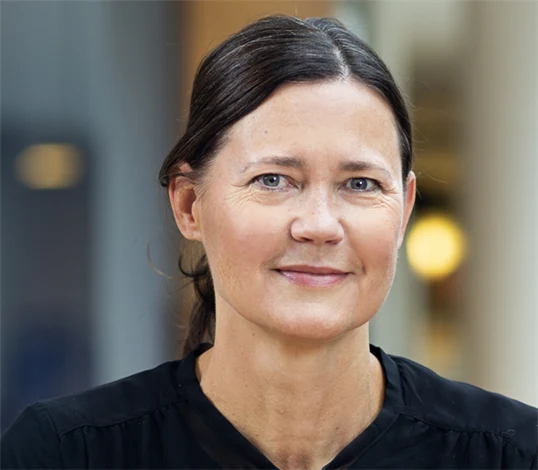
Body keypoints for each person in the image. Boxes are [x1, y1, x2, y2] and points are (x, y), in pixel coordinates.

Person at [1, 14, 537, 470]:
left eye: (360, 184)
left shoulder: (511, 453)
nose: (320, 225)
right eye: (274, 180)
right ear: (189, 204)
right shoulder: (64, 454)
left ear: (405, 211)